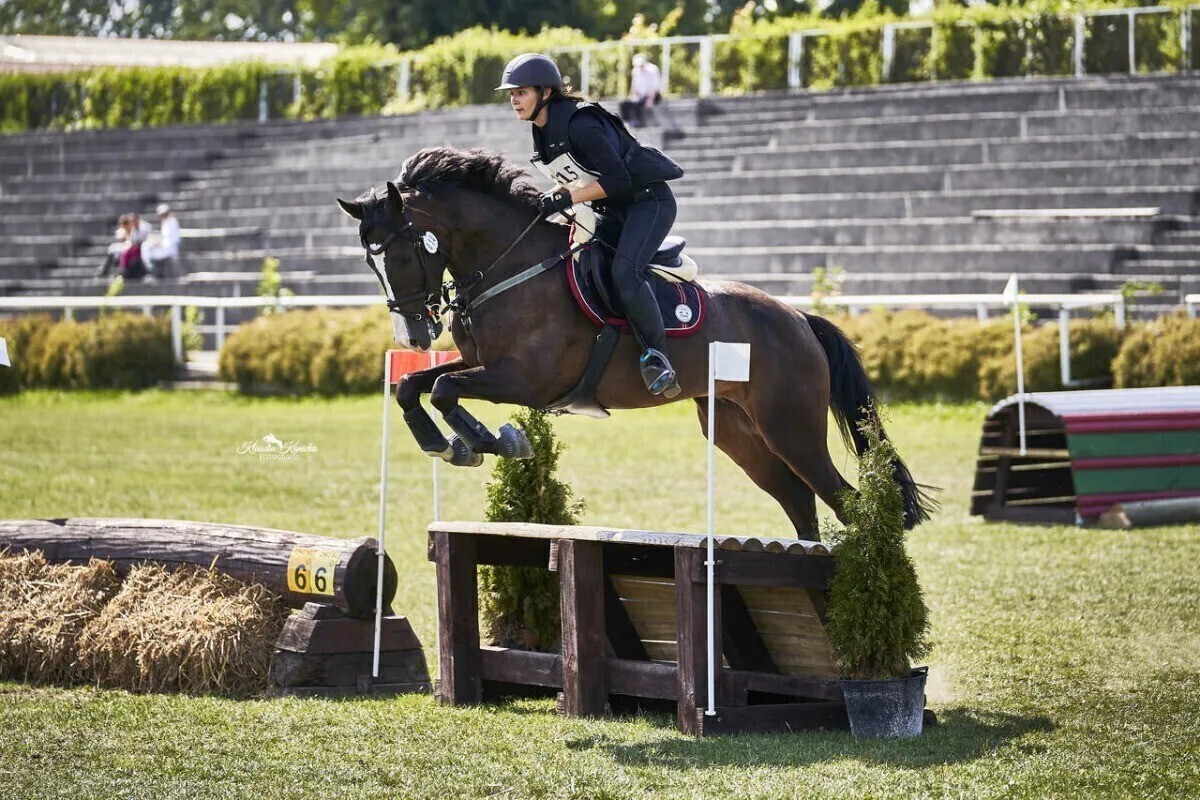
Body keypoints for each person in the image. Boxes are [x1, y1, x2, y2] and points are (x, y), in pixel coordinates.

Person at [498, 52, 685, 397]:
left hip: (647, 203)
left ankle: (659, 357)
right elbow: (578, 176)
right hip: (613, 210)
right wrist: (555, 194)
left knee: (625, 273)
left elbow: (617, 178)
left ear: (546, 92)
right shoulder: (542, 131)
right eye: (511, 94)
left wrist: (569, 198)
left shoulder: (581, 123)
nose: (514, 100)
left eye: (521, 92)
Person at [621, 53, 662, 129]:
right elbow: (634, 86)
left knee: (637, 104)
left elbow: (655, 87)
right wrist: (631, 96)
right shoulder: (635, 71)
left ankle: (638, 122)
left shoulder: (653, 70)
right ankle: (626, 122)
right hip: (641, 96)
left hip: (653, 96)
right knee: (625, 104)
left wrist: (650, 100)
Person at [143, 203, 181, 277]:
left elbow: (170, 239)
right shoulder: (167, 222)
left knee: (146, 248)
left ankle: (150, 269)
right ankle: (152, 269)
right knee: (146, 246)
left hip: (169, 249)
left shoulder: (172, 222)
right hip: (166, 247)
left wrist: (158, 243)